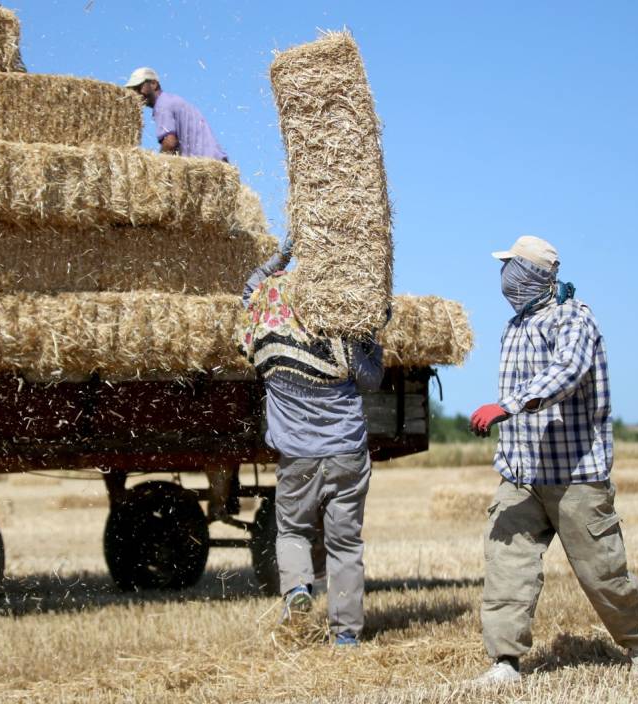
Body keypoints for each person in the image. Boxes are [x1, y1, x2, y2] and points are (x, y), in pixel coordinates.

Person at [469, 235, 638, 684]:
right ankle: (505, 662)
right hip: (521, 474)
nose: (505, 276)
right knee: (506, 568)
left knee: (604, 576)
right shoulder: (514, 325)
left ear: (534, 274)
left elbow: (568, 371)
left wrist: (510, 405)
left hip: (576, 475)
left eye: (512, 266)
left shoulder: (574, 318)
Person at [238, 239, 384, 646]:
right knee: (345, 544)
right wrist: (373, 339)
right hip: (346, 453)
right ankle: (346, 636)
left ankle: (299, 589)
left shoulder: (266, 325)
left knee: (292, 532)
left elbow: (250, 288)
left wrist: (282, 255)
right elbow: (372, 380)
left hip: (297, 456)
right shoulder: (339, 322)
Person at [124, 67, 228, 161]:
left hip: (205, 164)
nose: (136, 94)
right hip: (215, 160)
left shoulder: (162, 106)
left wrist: (155, 167)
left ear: (154, 84)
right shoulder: (172, 100)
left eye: (139, 88)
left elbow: (170, 143)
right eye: (134, 90)